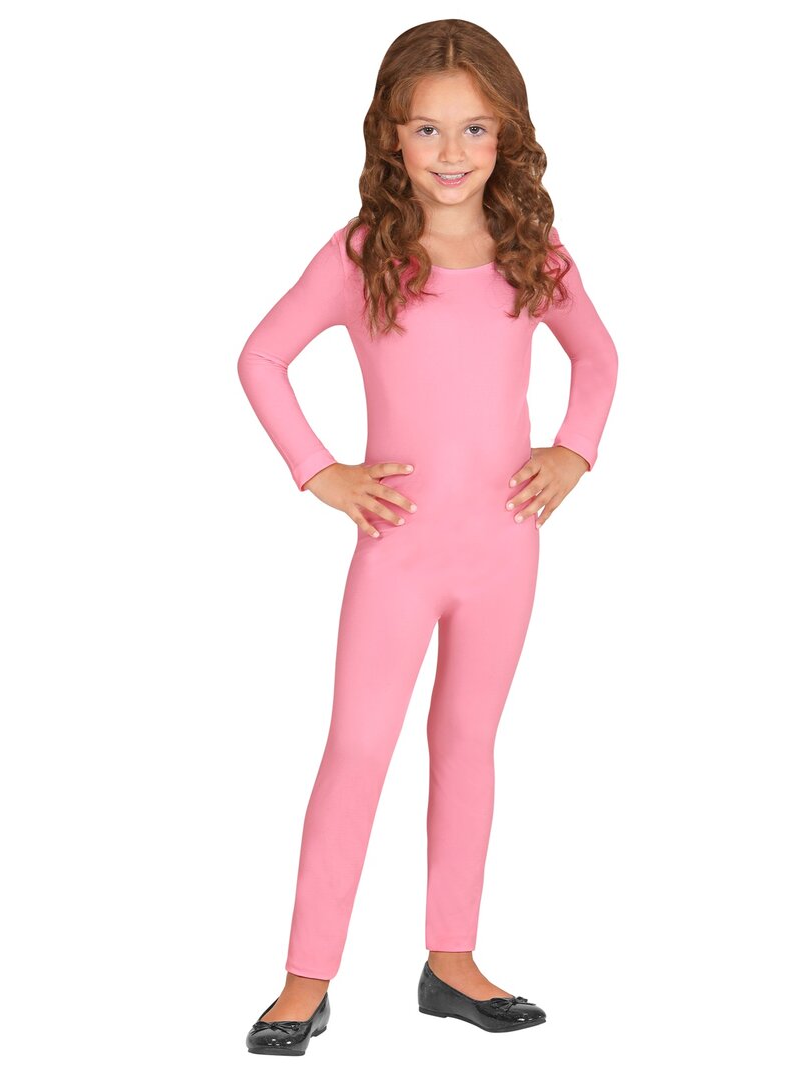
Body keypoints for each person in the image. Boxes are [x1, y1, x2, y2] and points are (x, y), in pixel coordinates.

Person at [237, 18, 618, 1055]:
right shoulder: (363, 254)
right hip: (397, 553)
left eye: (475, 129)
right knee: (359, 747)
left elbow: (597, 358)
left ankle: (452, 961)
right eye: (427, 129)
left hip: (504, 547)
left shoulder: (535, 252)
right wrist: (321, 471)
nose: (452, 152)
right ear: (391, 137)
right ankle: (305, 976)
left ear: (507, 136)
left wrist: (573, 452)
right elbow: (262, 358)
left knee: (467, 743)